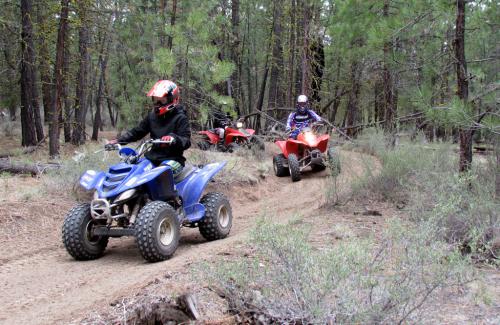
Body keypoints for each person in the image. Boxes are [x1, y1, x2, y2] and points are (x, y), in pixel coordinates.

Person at [108, 80, 191, 175]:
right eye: (156, 100)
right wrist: (119, 141)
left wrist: (174, 138)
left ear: (173, 99)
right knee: (134, 172)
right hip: (152, 158)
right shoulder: (152, 117)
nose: (158, 103)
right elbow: (137, 132)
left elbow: (186, 141)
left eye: (162, 100)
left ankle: (173, 190)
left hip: (173, 160)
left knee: (161, 175)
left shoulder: (181, 118)